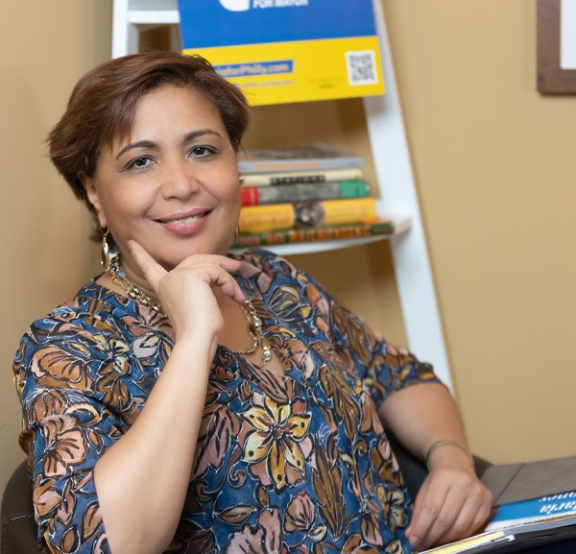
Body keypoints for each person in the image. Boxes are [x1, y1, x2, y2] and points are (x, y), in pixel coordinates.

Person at [13, 51, 492, 554]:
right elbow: (110, 545)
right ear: (93, 191)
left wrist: (452, 461)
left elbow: (400, 376)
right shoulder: (66, 346)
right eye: (141, 161)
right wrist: (195, 339)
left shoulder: (272, 279)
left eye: (202, 151)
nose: (182, 185)